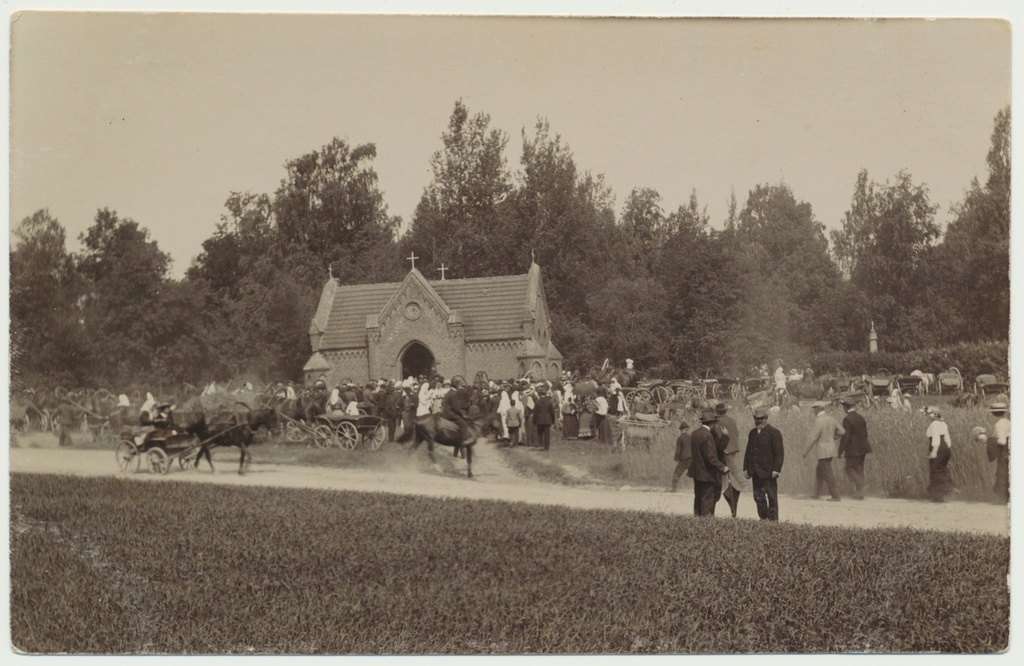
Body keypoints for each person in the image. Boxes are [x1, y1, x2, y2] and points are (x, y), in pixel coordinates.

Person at [743, 408, 784, 520]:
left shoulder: (774, 433)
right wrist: (745, 468)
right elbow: (748, 451)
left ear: (766, 419)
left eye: (761, 419)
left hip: (768, 472)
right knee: (758, 497)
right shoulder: (752, 433)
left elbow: (779, 453)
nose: (759, 421)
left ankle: (773, 521)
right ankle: (763, 519)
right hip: (755, 471)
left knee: (771, 497)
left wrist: (776, 469)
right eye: (757, 419)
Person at [688, 409, 729, 516]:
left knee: (698, 498)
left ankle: (697, 519)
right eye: (715, 422)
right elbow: (711, 457)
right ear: (712, 423)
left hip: (697, 473)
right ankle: (706, 523)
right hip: (707, 474)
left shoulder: (694, 433)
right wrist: (723, 467)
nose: (716, 424)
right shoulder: (708, 435)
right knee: (707, 500)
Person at [803, 401, 845, 501]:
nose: (813, 411)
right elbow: (842, 431)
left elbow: (813, 438)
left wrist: (805, 451)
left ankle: (835, 495)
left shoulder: (819, 421)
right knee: (820, 471)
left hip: (823, 451)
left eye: (814, 409)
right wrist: (833, 437)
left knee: (827, 473)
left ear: (817, 409)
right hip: (831, 449)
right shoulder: (832, 419)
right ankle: (816, 493)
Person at [838, 396, 872, 499]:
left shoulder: (847, 419)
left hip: (853, 449)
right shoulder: (861, 417)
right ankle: (860, 494)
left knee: (848, 468)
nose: (843, 409)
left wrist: (840, 450)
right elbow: (865, 434)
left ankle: (862, 485)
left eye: (843, 406)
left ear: (846, 407)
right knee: (859, 469)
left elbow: (846, 436)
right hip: (863, 447)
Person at [714, 403, 744, 517]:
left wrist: (724, 447)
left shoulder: (719, 422)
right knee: (729, 468)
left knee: (732, 468)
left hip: (726, 448)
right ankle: (729, 484)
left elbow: (719, 436)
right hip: (733, 446)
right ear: (725, 411)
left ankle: (743, 483)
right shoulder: (732, 420)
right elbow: (736, 433)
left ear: (717, 411)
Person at [925, 407, 954, 502]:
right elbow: (947, 438)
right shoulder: (943, 423)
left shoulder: (934, 424)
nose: (929, 415)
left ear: (935, 414)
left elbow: (936, 438)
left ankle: (940, 494)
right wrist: (948, 449)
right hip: (945, 447)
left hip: (937, 447)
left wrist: (934, 451)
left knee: (935, 470)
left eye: (931, 413)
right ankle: (944, 491)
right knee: (942, 468)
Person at [986, 402, 1010, 503]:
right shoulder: (1008, 422)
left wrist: (990, 441)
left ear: (993, 414)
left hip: (1004, 451)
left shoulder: (998, 425)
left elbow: (1002, 441)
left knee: (1001, 474)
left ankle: (1002, 499)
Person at [441, 377, 470, 443]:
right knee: (464, 424)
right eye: (459, 385)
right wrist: (463, 414)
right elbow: (456, 408)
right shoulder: (454, 394)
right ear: (457, 386)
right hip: (450, 414)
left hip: (446, 412)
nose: (460, 387)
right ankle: (463, 441)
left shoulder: (449, 392)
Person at [533, 384, 558, 452]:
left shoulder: (537, 402)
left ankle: (541, 445)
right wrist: (552, 420)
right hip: (547, 420)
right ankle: (547, 447)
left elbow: (535, 412)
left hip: (539, 420)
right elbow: (552, 412)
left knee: (540, 433)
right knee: (547, 434)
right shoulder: (549, 402)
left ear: (540, 394)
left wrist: (534, 421)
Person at [670, 421, 692, 492]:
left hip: (683, 459)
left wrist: (676, 458)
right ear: (687, 429)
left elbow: (678, 449)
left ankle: (674, 489)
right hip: (691, 458)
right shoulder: (690, 437)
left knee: (677, 473)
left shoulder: (680, 438)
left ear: (681, 430)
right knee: (696, 474)